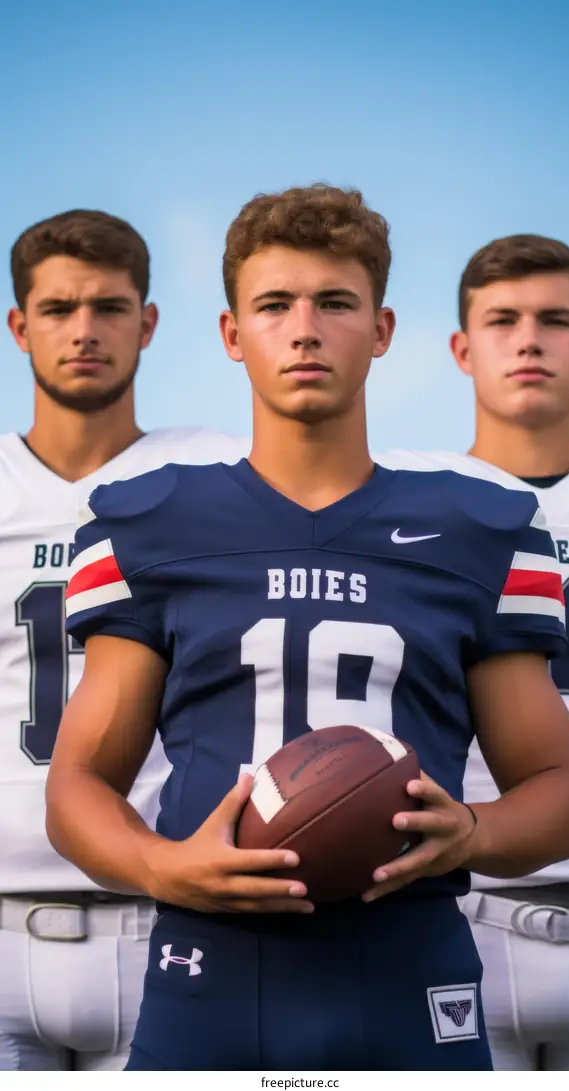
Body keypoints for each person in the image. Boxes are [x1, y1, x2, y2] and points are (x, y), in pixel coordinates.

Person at [46, 187, 569, 1072]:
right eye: (274, 305)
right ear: (232, 334)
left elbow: (558, 792)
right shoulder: (149, 522)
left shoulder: (480, 529)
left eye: (335, 303)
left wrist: (473, 832)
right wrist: (159, 866)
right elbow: (79, 781)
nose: (304, 331)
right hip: (208, 974)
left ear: (382, 329)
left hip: (410, 972)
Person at [0, 209, 245, 1071]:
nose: (84, 330)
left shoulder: (213, 475)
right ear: (19, 326)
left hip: (169, 908)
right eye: (58, 309)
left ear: (147, 323)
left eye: (108, 307)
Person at [385, 234, 569, 1070]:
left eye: (555, 320)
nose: (529, 340)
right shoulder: (409, 506)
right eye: (503, 320)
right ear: (462, 349)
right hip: (459, 900)